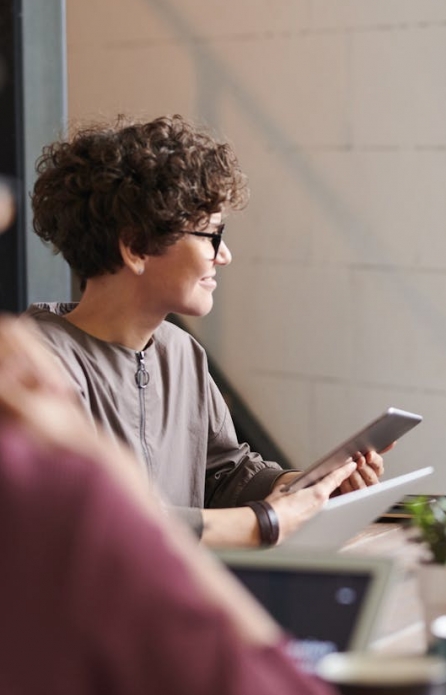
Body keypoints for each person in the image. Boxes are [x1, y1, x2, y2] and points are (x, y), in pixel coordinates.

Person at [26, 115, 383, 548]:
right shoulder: (35, 366)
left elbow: (223, 473)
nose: (225, 255)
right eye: (212, 235)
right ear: (136, 246)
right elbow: (98, 522)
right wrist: (267, 522)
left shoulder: (181, 352)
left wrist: (307, 485)